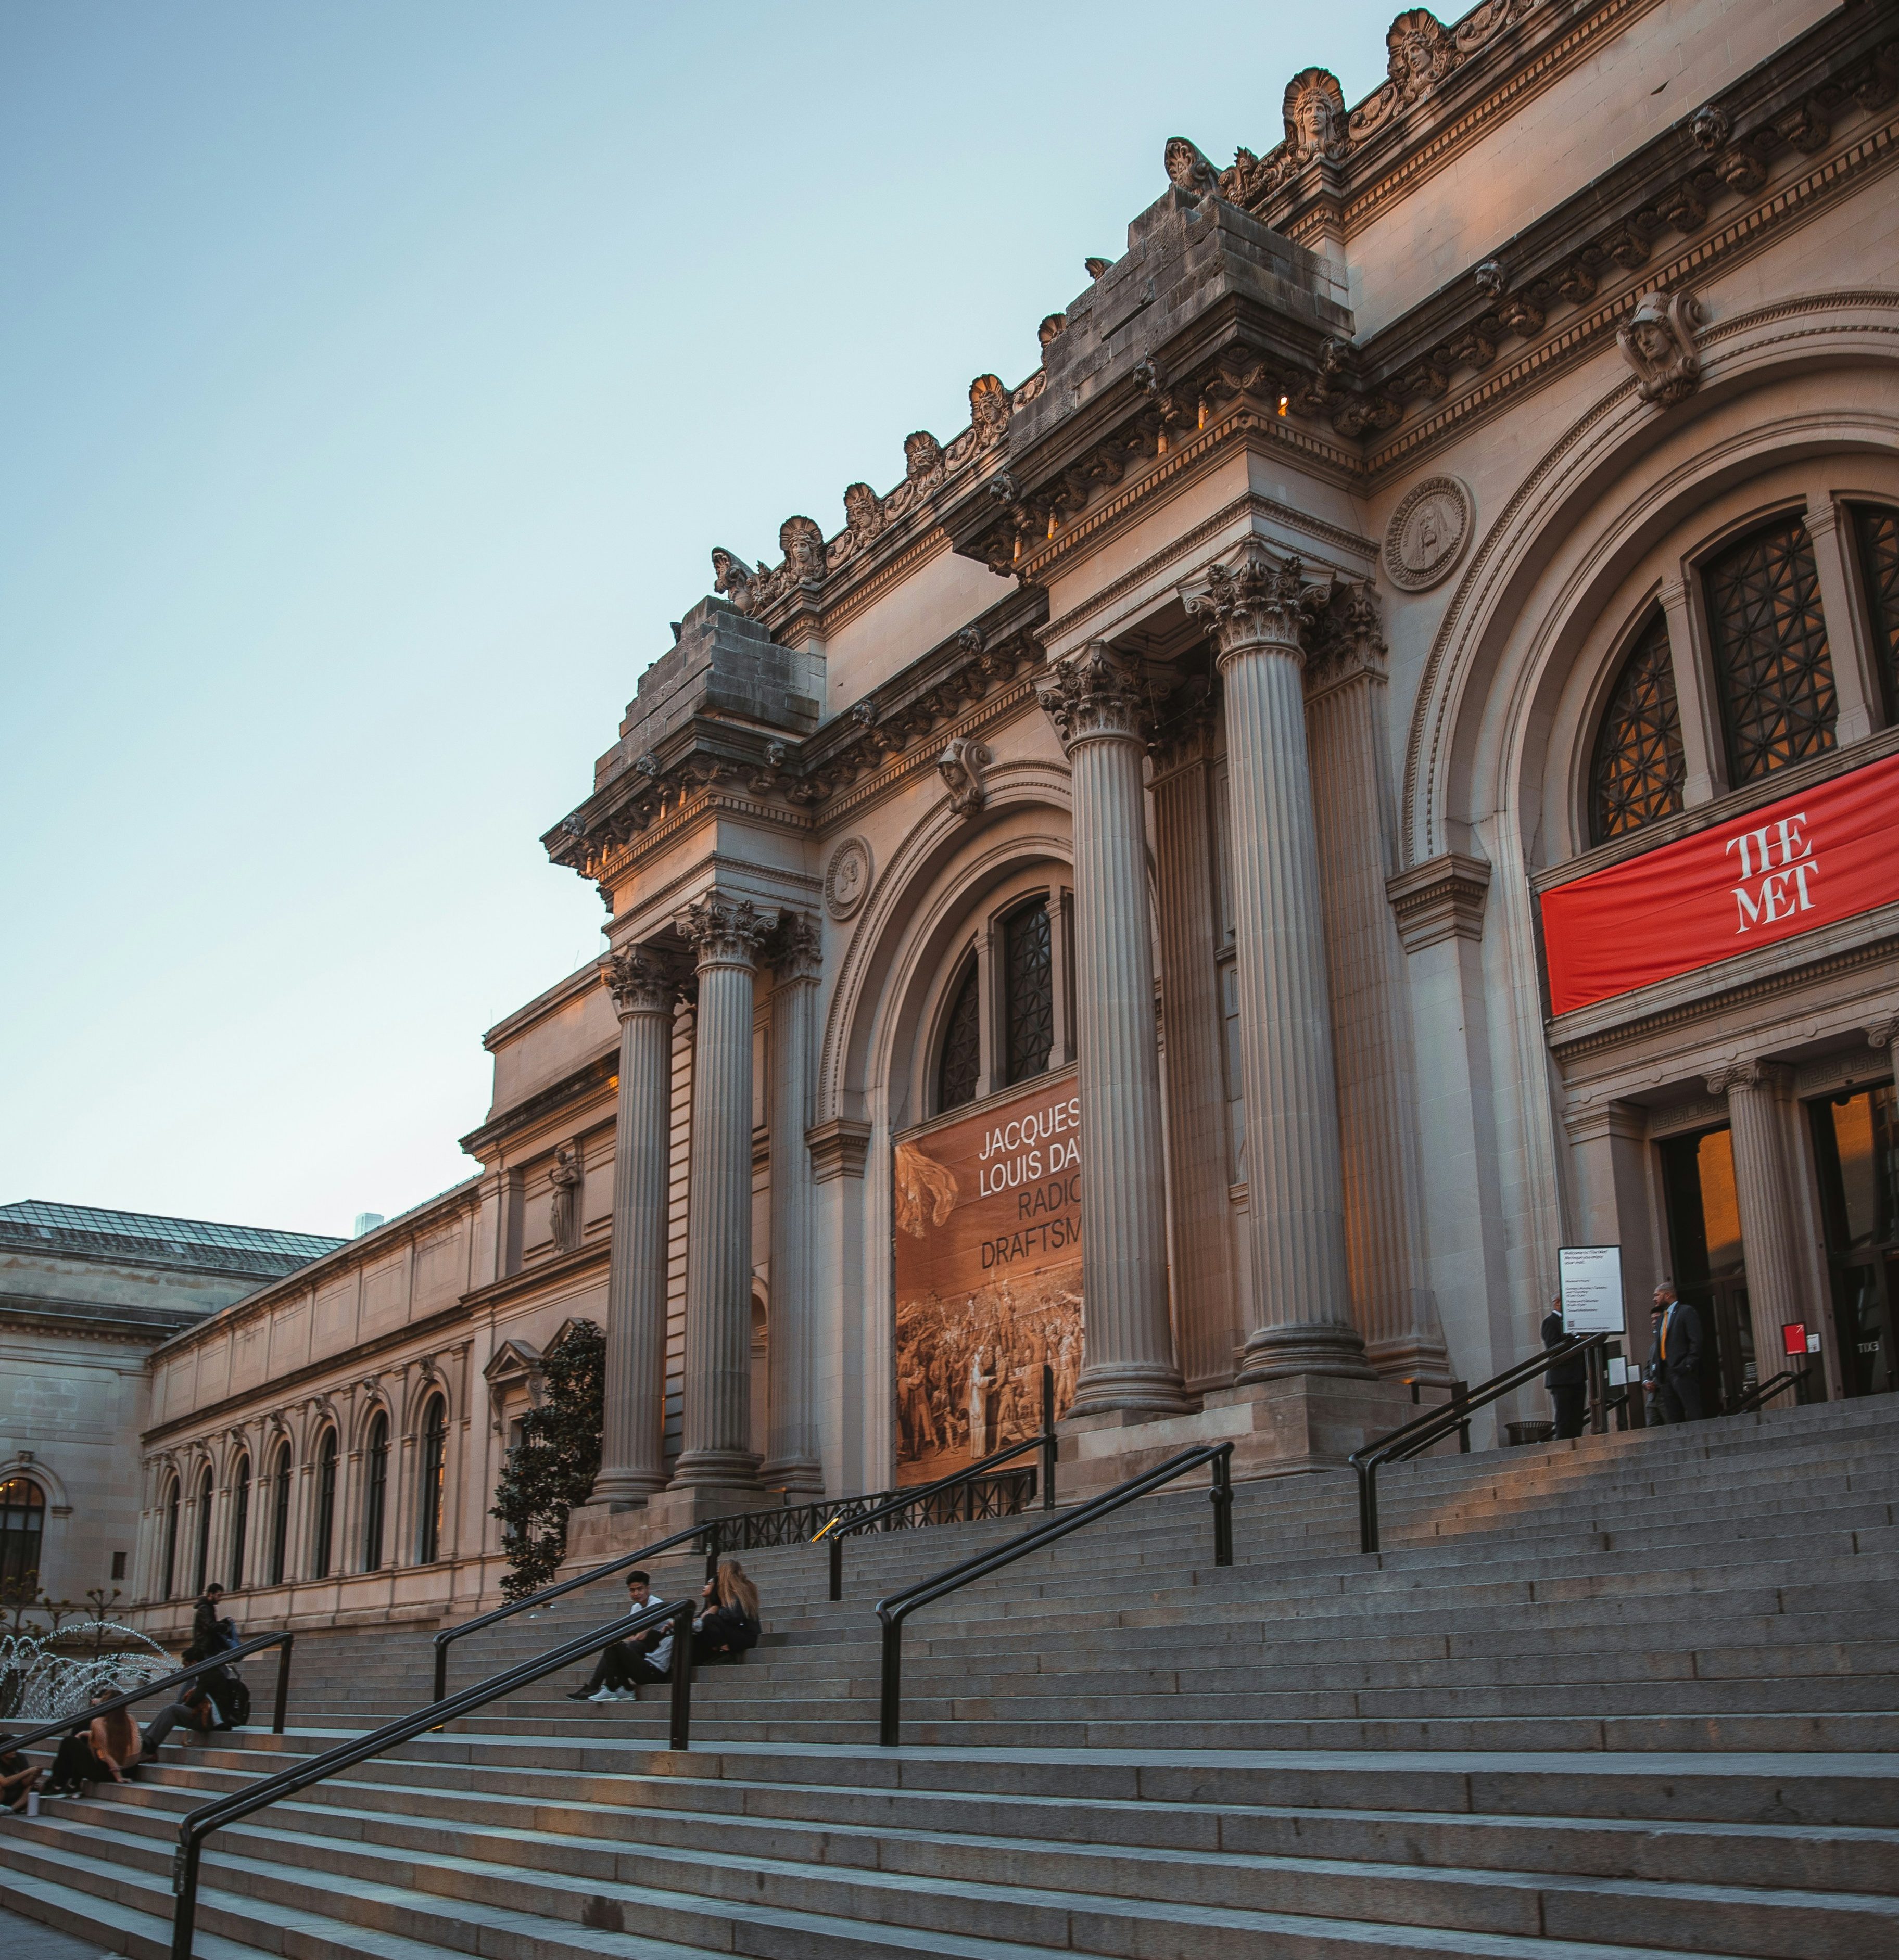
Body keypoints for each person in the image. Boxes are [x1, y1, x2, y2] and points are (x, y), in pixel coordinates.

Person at [565, 1571, 672, 1702]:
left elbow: (641, 1636)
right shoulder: (636, 1608)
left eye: (640, 1589)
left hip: (655, 1650)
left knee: (626, 1647)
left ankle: (605, 1686)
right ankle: (611, 1686)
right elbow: (631, 1633)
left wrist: (631, 1639)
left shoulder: (656, 1605)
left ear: (648, 1589)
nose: (636, 1593)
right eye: (632, 1590)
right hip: (642, 1650)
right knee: (616, 1647)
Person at [45, 1690, 141, 1796]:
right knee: (82, 1737)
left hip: (107, 1773)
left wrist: (119, 1777)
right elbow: (134, 1745)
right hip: (130, 1771)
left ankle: (58, 1785)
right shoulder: (131, 1720)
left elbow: (107, 1754)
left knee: (69, 1741)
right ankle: (73, 1785)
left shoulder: (98, 1722)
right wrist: (83, 1733)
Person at [1652, 1281, 1706, 1423]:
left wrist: (1688, 1364)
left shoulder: (1686, 1312)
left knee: (1693, 1411)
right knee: (1673, 1417)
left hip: (1682, 1370)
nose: (1654, 1299)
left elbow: (1696, 1340)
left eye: (1657, 1295)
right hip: (1665, 1374)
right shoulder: (1661, 1319)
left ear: (1668, 1295)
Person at [692, 1560, 761, 1664]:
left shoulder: (739, 1592)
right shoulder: (741, 1589)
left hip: (746, 1637)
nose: (718, 1577)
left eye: (720, 1573)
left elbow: (735, 1616)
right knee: (707, 1624)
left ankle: (726, 1652)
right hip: (745, 1635)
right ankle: (717, 1652)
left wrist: (718, 1611)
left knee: (710, 1619)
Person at [1542, 1294, 1588, 1439]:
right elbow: (1553, 1347)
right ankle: (1563, 1448)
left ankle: (1577, 1445)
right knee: (1564, 1418)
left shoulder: (1573, 1322)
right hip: (1561, 1378)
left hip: (1578, 1376)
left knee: (1577, 1417)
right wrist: (1577, 1339)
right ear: (1558, 1303)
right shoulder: (1550, 1322)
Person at [143, 1683, 218, 1755]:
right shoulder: (196, 1677)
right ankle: (146, 1742)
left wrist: (184, 1705)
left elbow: (197, 1696)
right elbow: (184, 1698)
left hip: (210, 1719)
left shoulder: (207, 1675)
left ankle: (148, 1746)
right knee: (170, 1710)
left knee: (173, 1710)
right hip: (205, 1715)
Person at [0, 1744, 42, 1813]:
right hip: (3, 1793)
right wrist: (28, 1772)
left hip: (17, 1791)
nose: (13, 1751)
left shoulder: (20, 1757)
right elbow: (4, 1782)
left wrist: (34, 1776)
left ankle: (11, 1810)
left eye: (15, 1748)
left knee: (37, 1786)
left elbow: (25, 1783)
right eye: (10, 1749)